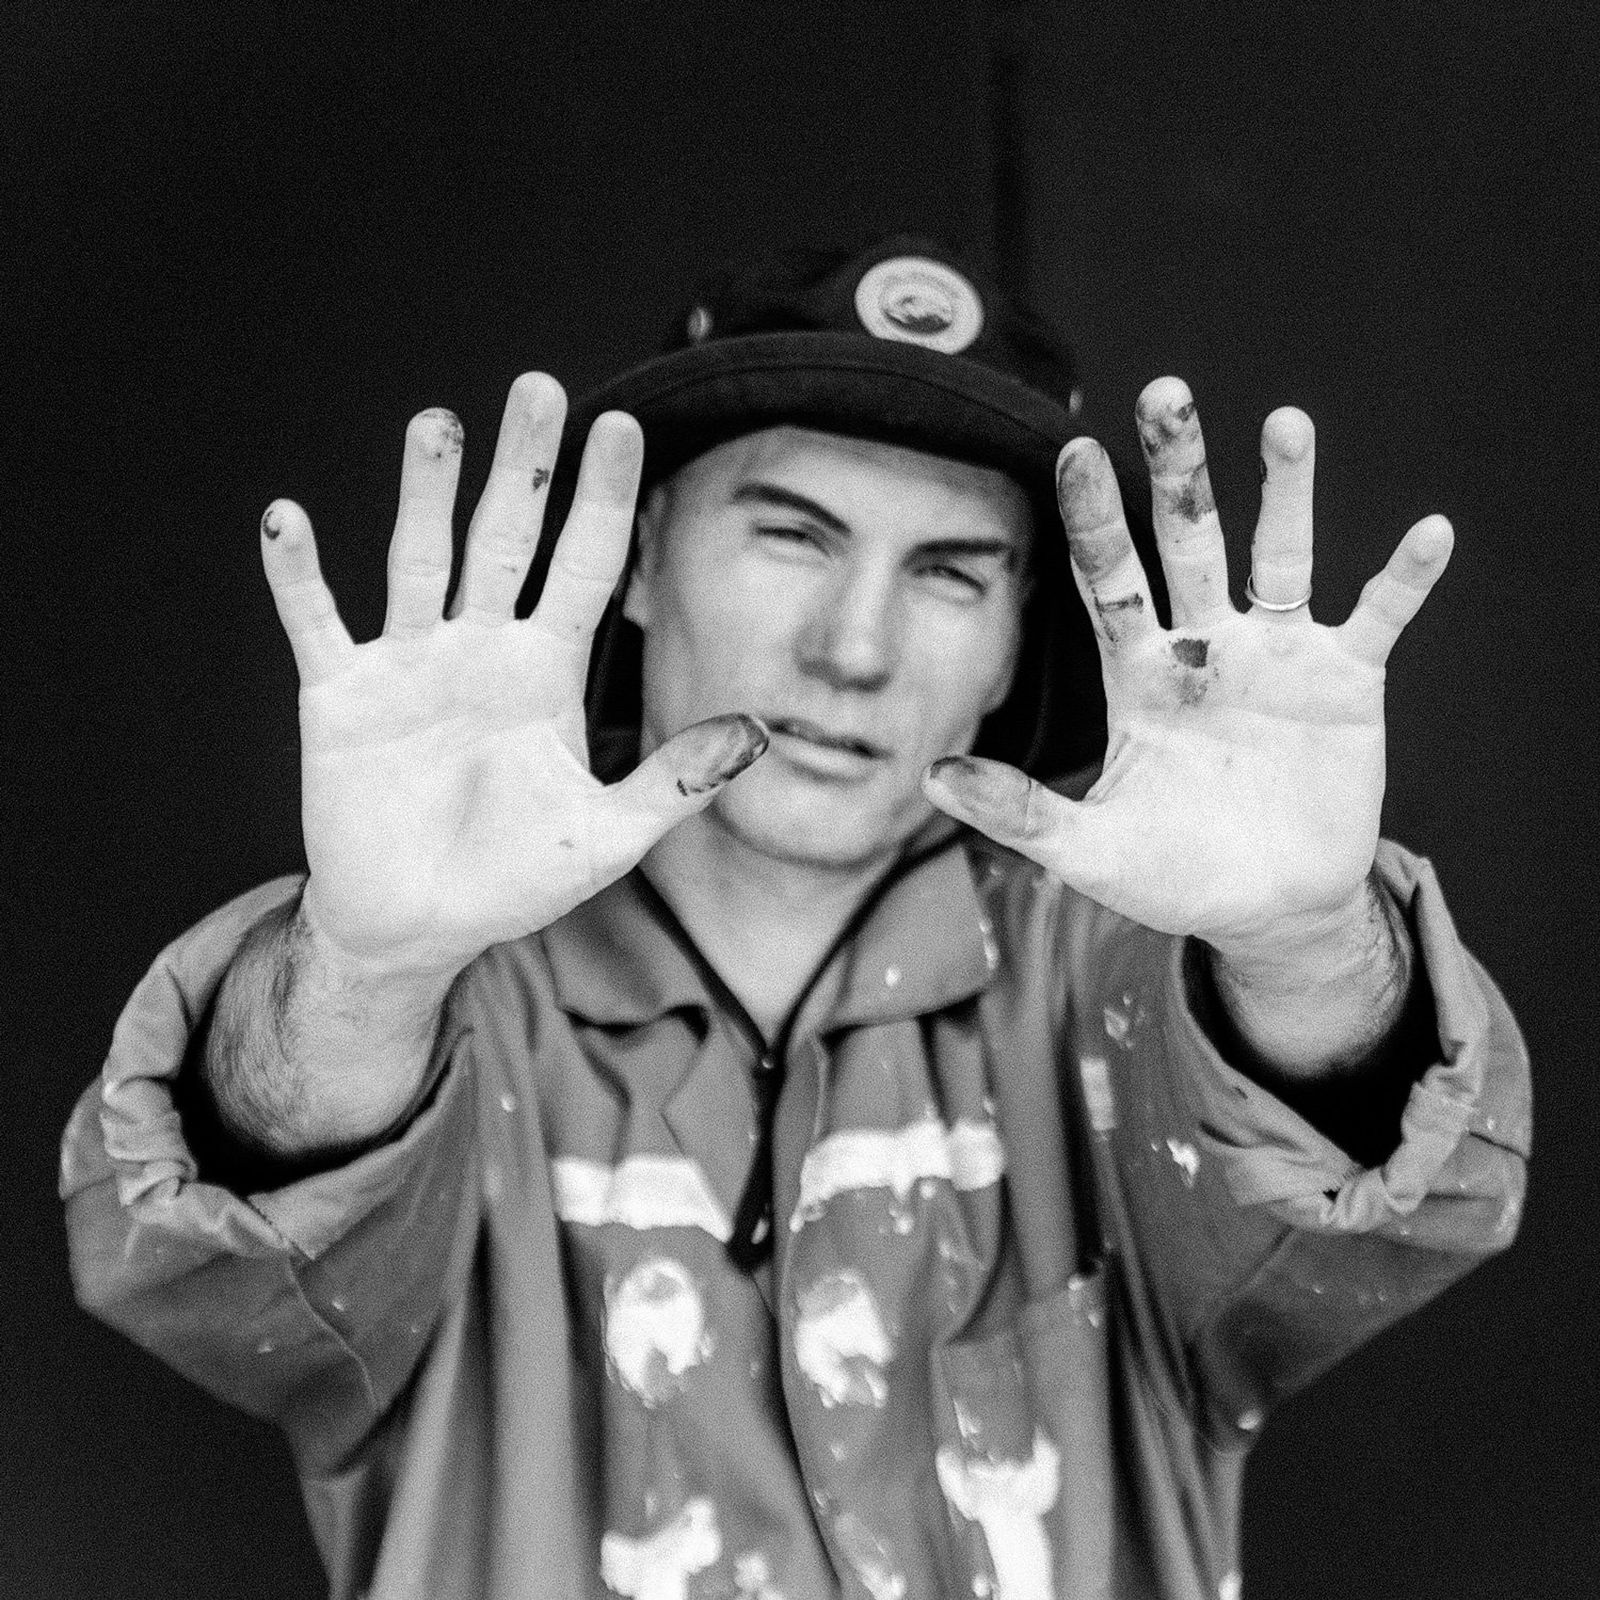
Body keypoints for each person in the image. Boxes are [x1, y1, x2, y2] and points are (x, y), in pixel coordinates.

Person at [61, 235, 1529, 1600]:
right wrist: (365, 969)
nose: (855, 649)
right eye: (792, 535)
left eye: (950, 574)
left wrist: (1299, 945)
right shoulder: (456, 1003)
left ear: (1018, 640)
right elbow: (201, 1260)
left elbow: (1383, 1213)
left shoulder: (1108, 985)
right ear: (639, 559)